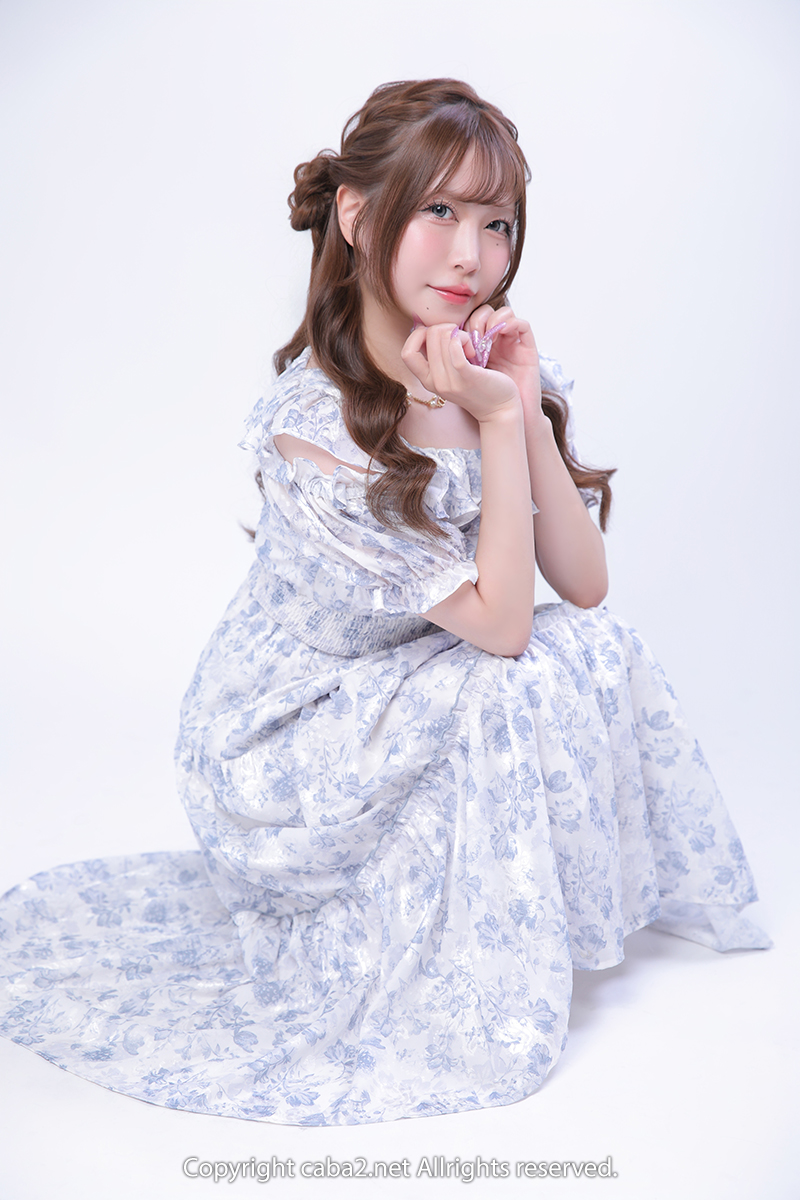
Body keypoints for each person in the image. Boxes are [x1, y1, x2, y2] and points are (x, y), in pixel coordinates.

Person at [0, 79, 769, 1126]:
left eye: (497, 223)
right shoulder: (312, 429)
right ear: (359, 217)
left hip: (409, 678)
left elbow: (584, 587)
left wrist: (519, 404)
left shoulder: (489, 370)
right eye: (438, 211)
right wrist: (495, 423)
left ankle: (512, 907)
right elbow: (502, 630)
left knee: (597, 646)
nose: (471, 256)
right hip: (289, 735)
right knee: (507, 680)